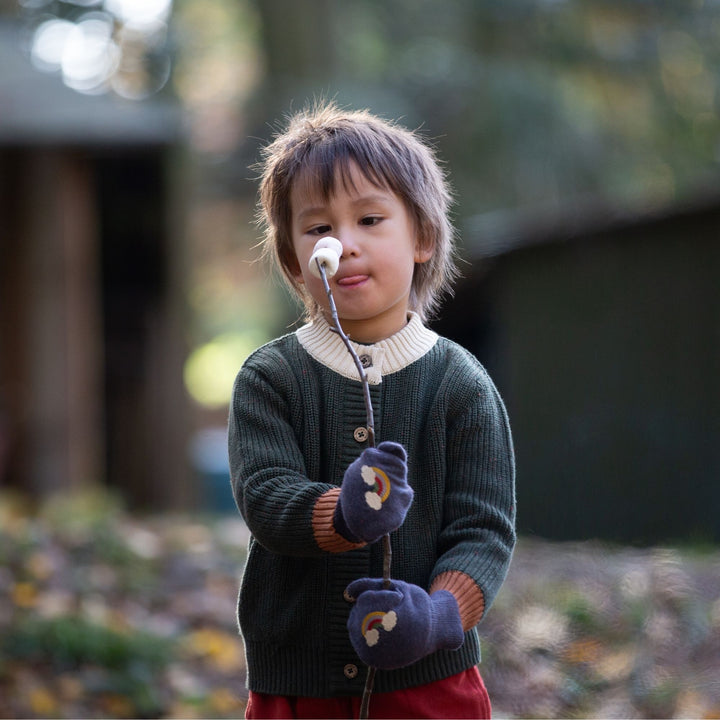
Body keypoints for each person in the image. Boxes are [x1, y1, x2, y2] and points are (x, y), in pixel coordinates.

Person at [228, 101, 516, 719]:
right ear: (292, 261)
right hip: (299, 687)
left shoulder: (460, 386)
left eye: (370, 218)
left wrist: (440, 617)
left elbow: (482, 534)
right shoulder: (270, 378)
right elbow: (266, 497)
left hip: (431, 685)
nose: (344, 243)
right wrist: (343, 514)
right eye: (317, 228)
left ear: (423, 238)